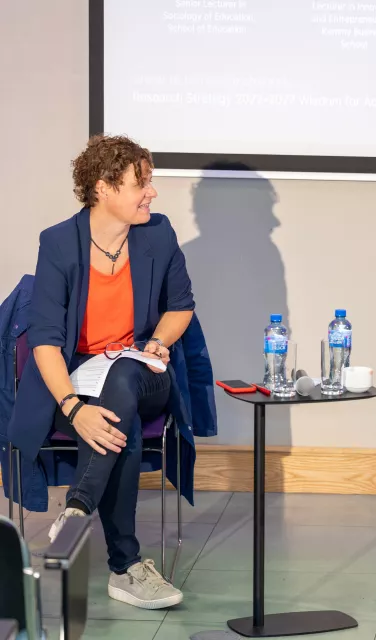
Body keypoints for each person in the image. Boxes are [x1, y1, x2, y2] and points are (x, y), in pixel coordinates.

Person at [11, 135, 196, 608]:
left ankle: (77, 509)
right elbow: (46, 341)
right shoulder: (58, 243)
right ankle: (125, 567)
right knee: (122, 420)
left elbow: (181, 308)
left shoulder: (158, 234)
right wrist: (73, 409)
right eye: (142, 182)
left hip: (142, 372)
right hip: (75, 383)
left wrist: (156, 342)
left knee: (126, 379)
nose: (151, 192)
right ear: (104, 188)